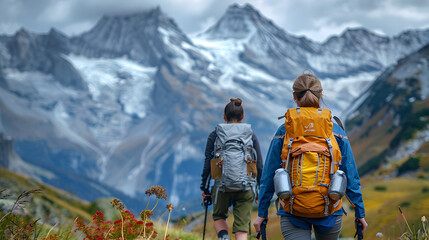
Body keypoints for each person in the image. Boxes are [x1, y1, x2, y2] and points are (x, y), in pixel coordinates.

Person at [253, 71, 368, 239]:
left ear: (294, 96)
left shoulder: (285, 130)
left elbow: (269, 175)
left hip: (292, 209)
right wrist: (360, 213)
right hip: (329, 209)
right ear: (320, 95)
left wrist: (262, 213)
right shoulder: (335, 130)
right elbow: (350, 174)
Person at [201, 98, 263, 240]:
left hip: (222, 186)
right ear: (243, 116)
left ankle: (224, 237)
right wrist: (259, 189)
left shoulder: (215, 134)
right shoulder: (250, 135)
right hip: (246, 187)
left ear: (224, 116)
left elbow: (208, 163)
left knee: (218, 217)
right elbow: (259, 165)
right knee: (242, 228)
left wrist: (205, 189)